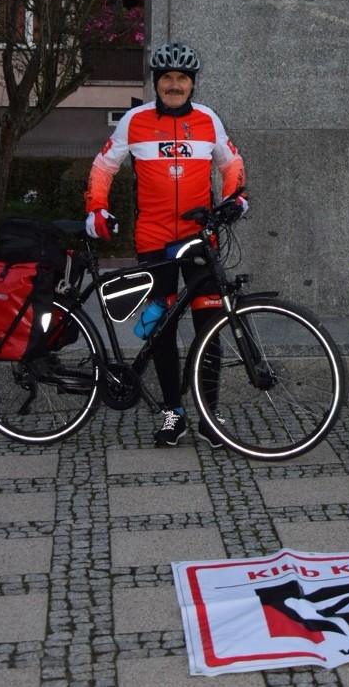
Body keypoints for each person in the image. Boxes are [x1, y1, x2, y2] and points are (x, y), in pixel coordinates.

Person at [84, 42, 247, 446]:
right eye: (167, 79)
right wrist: (96, 208)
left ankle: (209, 414)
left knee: (209, 328)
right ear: (157, 83)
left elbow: (232, 165)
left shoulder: (209, 120)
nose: (175, 85)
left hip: (199, 242)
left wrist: (235, 199)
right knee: (162, 329)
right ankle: (173, 412)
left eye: (182, 79)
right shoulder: (135, 121)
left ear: (193, 84)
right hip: (154, 241)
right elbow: (104, 166)